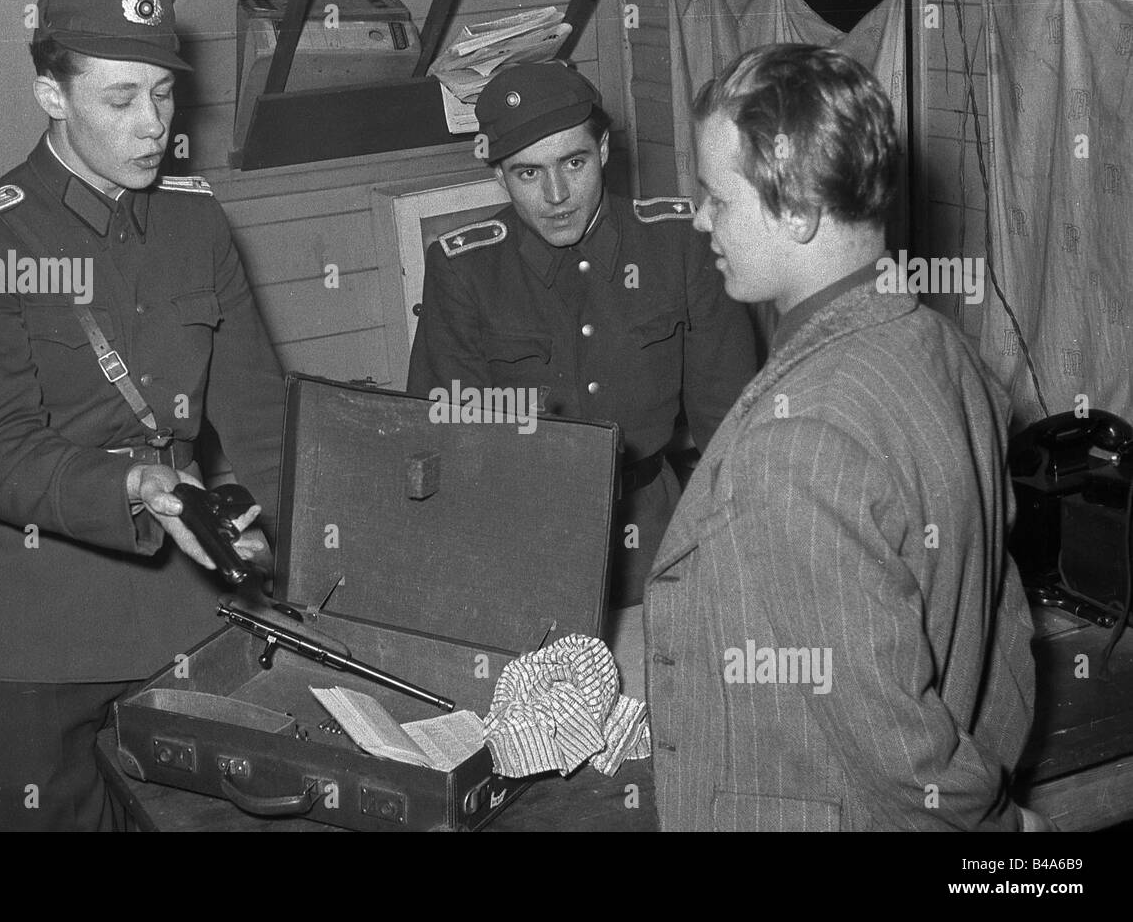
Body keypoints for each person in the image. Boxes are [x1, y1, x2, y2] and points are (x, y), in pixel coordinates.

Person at [0, 0, 285, 830]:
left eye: (163, 93)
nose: (153, 124)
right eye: (120, 98)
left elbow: (262, 417)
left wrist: (327, 541)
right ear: (52, 94)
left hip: (185, 613)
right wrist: (143, 484)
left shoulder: (196, 222)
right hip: (31, 633)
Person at [644, 43, 1042, 830]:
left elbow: (897, 748)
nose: (698, 219)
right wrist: (993, 779)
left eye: (715, 199)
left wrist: (1001, 830)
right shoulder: (947, 353)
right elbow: (1008, 634)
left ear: (797, 212)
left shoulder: (802, 442)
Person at [407, 62, 756, 608]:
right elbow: (447, 435)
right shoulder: (465, 271)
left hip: (659, 538)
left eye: (574, 162)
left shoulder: (678, 247)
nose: (556, 194)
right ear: (498, 175)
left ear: (605, 150)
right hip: (522, 545)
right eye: (528, 173)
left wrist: (743, 555)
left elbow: (730, 425)